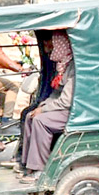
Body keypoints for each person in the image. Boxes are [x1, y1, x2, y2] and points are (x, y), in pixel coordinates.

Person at [16, 32, 74, 179]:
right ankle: (28, 163)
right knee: (30, 115)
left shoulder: (72, 68)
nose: (53, 49)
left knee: (41, 121)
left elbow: (66, 100)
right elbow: (55, 95)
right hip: (61, 108)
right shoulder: (62, 65)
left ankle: (39, 168)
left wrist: (43, 109)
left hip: (71, 111)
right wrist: (41, 107)